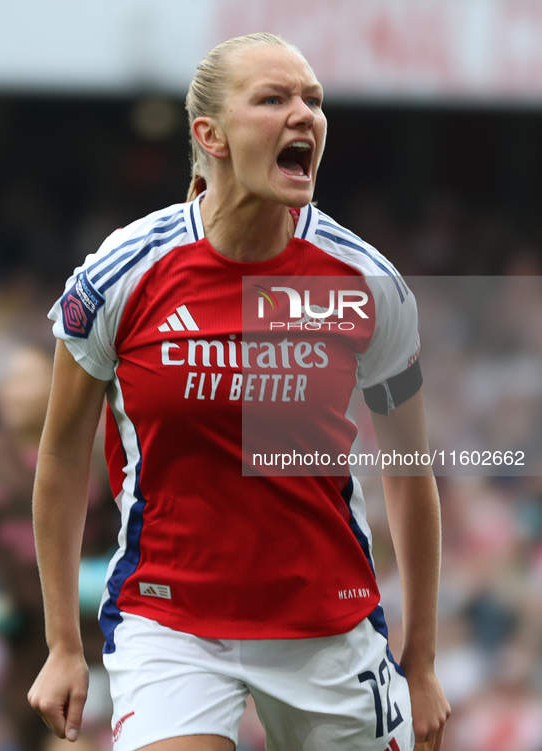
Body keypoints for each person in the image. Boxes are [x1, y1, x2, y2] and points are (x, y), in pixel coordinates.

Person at [28, 33, 450, 751]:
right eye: (274, 99)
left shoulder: (367, 283)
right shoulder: (120, 275)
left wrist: (423, 660)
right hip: (170, 621)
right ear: (209, 135)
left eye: (313, 101)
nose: (304, 116)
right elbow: (63, 459)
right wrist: (62, 641)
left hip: (328, 623)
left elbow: (410, 475)